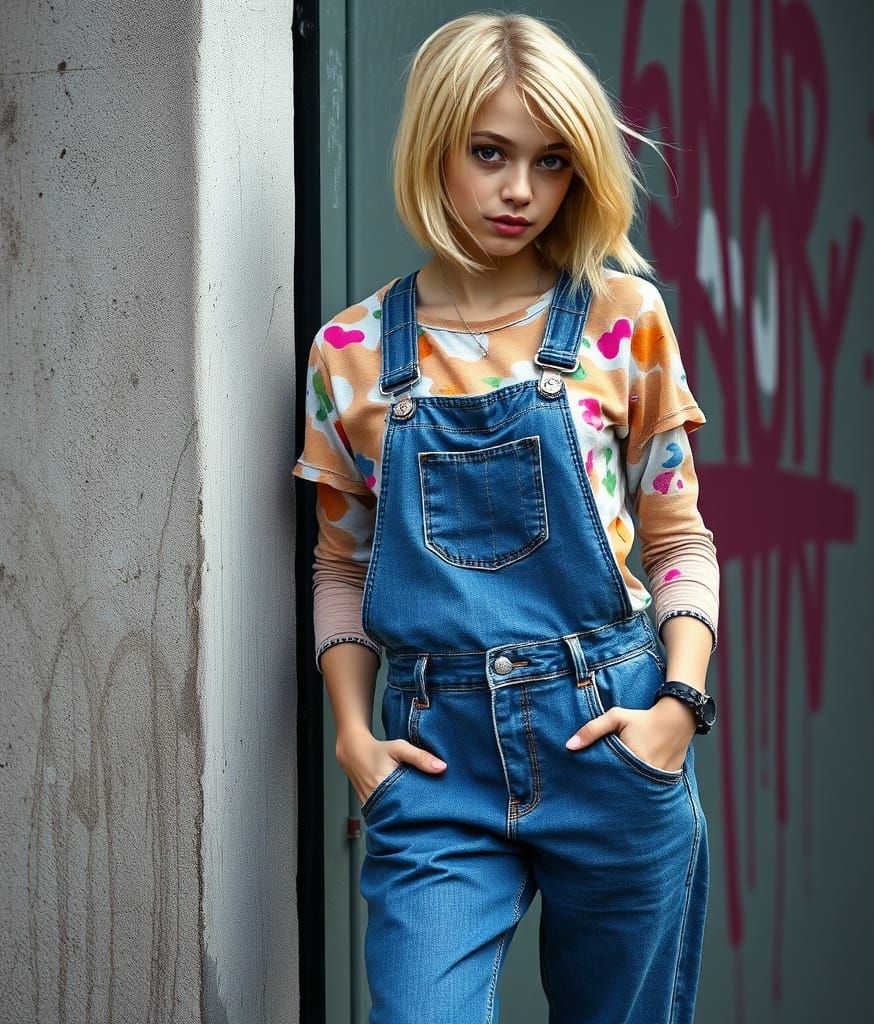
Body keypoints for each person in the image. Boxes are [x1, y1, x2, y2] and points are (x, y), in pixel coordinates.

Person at [292, 12, 720, 1024]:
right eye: (489, 153)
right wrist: (354, 736)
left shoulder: (623, 317)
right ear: (433, 144)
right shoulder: (348, 351)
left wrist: (678, 708)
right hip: (435, 761)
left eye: (552, 162)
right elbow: (338, 566)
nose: (521, 190)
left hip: (610, 734)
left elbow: (677, 536)